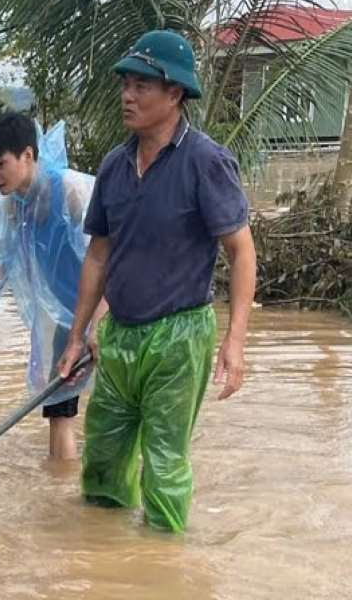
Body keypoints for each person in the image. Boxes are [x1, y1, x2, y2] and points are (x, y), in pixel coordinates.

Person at [56, 30, 257, 534]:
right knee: (102, 454)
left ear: (175, 94)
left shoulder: (206, 162)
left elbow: (241, 250)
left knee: (164, 463)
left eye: (143, 85)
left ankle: (164, 570)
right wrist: (77, 334)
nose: (128, 95)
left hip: (180, 336)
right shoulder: (114, 166)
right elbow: (98, 257)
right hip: (119, 334)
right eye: (125, 83)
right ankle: (106, 562)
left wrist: (235, 341)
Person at [0, 113, 95, 459]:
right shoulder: (12, 207)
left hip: (102, 310)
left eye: (1, 164)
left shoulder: (71, 190)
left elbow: (109, 260)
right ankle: (59, 498)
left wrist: (96, 324)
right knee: (58, 411)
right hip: (59, 319)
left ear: (28, 155)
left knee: (113, 412)